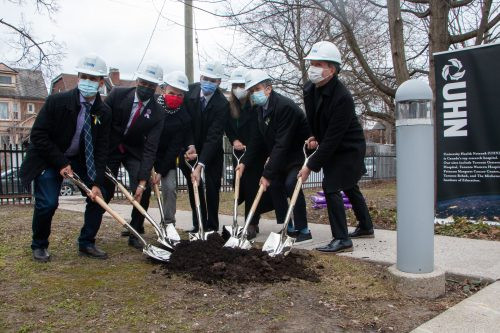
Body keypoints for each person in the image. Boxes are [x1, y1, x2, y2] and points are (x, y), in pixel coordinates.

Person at [20, 54, 111, 261]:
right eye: (84, 76)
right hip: (49, 157)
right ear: (79, 77)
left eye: (93, 78)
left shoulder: (104, 111)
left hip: (80, 159)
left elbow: (102, 148)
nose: (87, 81)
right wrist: (61, 163)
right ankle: (39, 244)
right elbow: (38, 136)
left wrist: (96, 182)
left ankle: (87, 242)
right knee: (48, 203)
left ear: (101, 82)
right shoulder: (56, 101)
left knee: (98, 197)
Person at [298, 41, 374, 253]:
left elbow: (332, 139)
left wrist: (309, 166)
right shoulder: (309, 89)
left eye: (318, 64)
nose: (313, 68)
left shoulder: (343, 98)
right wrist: (312, 134)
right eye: (312, 63)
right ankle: (366, 226)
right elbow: (312, 116)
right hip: (332, 143)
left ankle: (342, 239)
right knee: (349, 186)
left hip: (348, 146)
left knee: (332, 185)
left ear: (332, 69)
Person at [237, 69, 312, 243]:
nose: (253, 94)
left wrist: (267, 173)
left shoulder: (284, 107)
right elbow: (256, 140)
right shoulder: (260, 109)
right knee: (276, 185)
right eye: (251, 91)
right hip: (281, 154)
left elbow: (282, 142)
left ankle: (303, 229)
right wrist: (245, 162)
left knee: (291, 183)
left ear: (268, 89)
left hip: (296, 153)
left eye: (256, 89)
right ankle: (288, 226)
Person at [102, 62, 165, 249]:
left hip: (134, 151)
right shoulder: (117, 95)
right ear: (137, 80)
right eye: (143, 83)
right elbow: (101, 120)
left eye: (151, 86)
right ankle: (88, 235)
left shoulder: (158, 113)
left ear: (155, 88)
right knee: (104, 190)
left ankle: (136, 231)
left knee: (142, 191)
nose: (146, 88)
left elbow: (151, 148)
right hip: (111, 148)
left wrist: (143, 181)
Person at [180, 61, 229, 232]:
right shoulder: (189, 92)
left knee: (213, 188)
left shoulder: (222, 104)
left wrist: (201, 164)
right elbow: (185, 123)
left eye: (213, 80)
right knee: (195, 185)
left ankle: (212, 227)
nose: (208, 82)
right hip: (190, 148)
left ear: (219, 82)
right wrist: (190, 145)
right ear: (201, 77)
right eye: (206, 78)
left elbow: (214, 136)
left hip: (212, 151)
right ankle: (198, 223)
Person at [224, 67, 267, 240]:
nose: (239, 89)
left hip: (255, 153)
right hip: (238, 152)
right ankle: (244, 220)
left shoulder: (255, 106)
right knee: (240, 186)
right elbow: (228, 127)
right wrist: (234, 140)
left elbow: (258, 132)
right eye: (236, 85)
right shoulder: (231, 107)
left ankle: (252, 222)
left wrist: (249, 146)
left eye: (242, 85)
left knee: (251, 188)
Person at [152, 71, 191, 225]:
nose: (175, 97)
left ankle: (168, 223)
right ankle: (137, 223)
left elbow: (174, 148)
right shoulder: (152, 106)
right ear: (163, 90)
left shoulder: (183, 117)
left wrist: (161, 171)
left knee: (169, 188)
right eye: (171, 93)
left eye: (180, 95)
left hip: (166, 159)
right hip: (147, 154)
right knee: (140, 188)